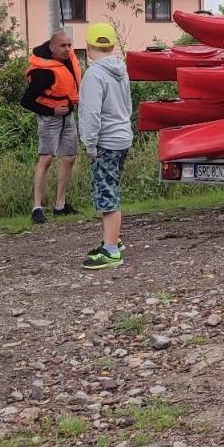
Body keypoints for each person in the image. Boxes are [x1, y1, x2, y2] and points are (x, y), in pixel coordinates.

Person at [76, 22, 132, 270]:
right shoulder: (121, 70)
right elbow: (127, 106)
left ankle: (111, 251)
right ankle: (113, 239)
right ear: (111, 45)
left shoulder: (94, 75)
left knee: (106, 193)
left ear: (88, 46)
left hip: (105, 141)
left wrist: (89, 144)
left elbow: (91, 113)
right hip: (122, 137)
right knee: (112, 187)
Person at [21, 28, 81, 224]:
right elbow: (26, 101)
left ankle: (60, 205)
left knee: (69, 157)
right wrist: (52, 111)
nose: (67, 49)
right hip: (49, 118)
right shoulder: (43, 73)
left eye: (69, 45)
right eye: (63, 46)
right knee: (46, 158)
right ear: (52, 47)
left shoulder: (67, 61)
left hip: (68, 115)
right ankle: (37, 208)